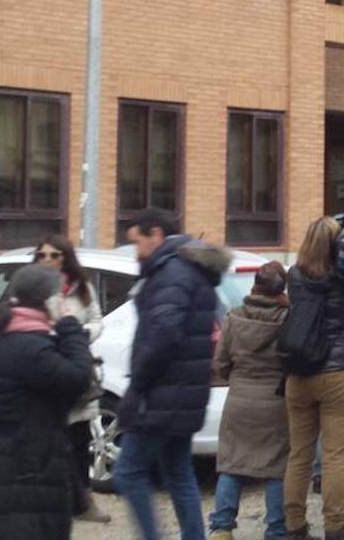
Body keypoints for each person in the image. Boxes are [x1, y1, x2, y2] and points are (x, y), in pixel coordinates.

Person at [0, 264, 93, 540]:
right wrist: (70, 326)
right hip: (20, 466)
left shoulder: (1, 335)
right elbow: (77, 379)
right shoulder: (30, 348)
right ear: (50, 301)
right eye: (59, 296)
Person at [115, 209, 231, 540]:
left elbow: (163, 333)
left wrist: (138, 385)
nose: (135, 252)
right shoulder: (189, 270)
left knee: (128, 472)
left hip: (160, 394)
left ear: (155, 235)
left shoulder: (172, 272)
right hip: (184, 392)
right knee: (177, 471)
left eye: (136, 242)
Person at [283, 219, 344, 540]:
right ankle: (335, 527)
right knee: (335, 456)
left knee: (299, 454)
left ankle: (294, 526)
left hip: (300, 372)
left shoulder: (294, 277)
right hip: (338, 372)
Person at [209, 261, 291, 540]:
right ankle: (276, 529)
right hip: (275, 400)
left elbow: (220, 363)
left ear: (255, 285)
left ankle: (222, 526)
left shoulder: (234, 317)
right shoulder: (288, 318)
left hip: (239, 400)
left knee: (232, 464)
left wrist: (237, 378)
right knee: (276, 467)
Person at [35, 234, 111, 524]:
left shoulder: (82, 288)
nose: (47, 260)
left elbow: (96, 320)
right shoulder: (33, 286)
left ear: (66, 258)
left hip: (76, 367)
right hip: (45, 368)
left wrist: (80, 335)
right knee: (46, 441)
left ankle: (83, 503)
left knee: (79, 440)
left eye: (54, 255)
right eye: (42, 255)